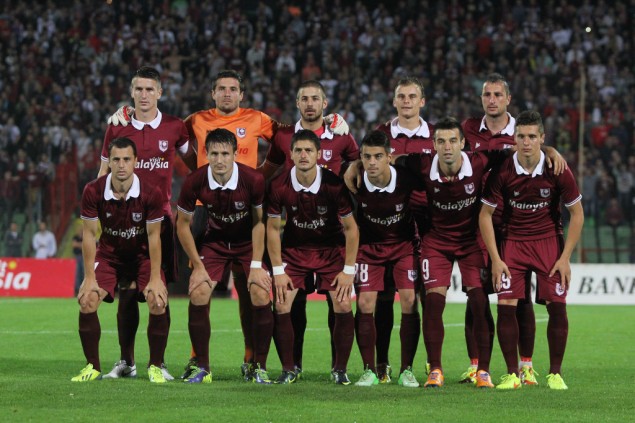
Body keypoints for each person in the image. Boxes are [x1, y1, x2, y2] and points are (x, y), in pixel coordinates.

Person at [109, 69, 349, 379]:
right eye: (221, 88)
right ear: (213, 93)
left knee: (253, 289)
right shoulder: (195, 120)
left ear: (241, 94)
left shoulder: (257, 119)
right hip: (205, 210)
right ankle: (197, 359)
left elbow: (292, 133)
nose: (226, 93)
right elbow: (164, 130)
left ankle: (252, 359)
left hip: (249, 210)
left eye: (232, 89)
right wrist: (127, 114)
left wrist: (329, 121)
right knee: (199, 285)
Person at [99, 66, 194, 381]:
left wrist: (194, 200)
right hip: (122, 222)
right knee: (126, 291)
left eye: (149, 89)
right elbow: (102, 175)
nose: (144, 95)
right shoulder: (117, 127)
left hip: (160, 222)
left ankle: (158, 363)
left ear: (160, 93)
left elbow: (195, 164)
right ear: (131, 92)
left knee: (158, 291)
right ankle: (127, 362)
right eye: (138, 89)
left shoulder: (175, 127)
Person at [479, 110, 584, 390]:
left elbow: (577, 214)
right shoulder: (503, 170)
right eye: (521, 136)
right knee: (506, 305)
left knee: (557, 306)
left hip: (548, 242)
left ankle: (555, 373)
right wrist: (496, 259)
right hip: (512, 242)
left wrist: (565, 258)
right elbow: (484, 215)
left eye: (532, 137)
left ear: (542, 138)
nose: (526, 142)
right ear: (514, 138)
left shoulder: (557, 169)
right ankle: (512, 374)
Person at [263, 80, 359, 377]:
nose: (309, 103)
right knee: (285, 303)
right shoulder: (282, 145)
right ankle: (290, 368)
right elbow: (270, 223)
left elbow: (362, 165)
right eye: (304, 98)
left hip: (332, 245)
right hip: (295, 246)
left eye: (315, 98)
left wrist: (349, 269)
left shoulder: (340, 141)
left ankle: (339, 369)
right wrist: (277, 270)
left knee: (340, 303)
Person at [175, 128, 273, 384]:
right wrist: (197, 266)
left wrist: (256, 265)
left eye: (225, 154)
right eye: (214, 154)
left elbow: (259, 222)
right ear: (206, 154)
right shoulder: (195, 180)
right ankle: (202, 367)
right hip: (215, 242)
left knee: (260, 292)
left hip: (247, 242)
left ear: (235, 154)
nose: (219, 160)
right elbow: (182, 225)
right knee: (198, 291)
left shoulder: (253, 179)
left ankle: (258, 366)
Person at [460, 73, 537, 385]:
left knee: (520, 298)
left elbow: (539, 155)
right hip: (475, 222)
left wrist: (553, 152)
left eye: (497, 94)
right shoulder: (467, 129)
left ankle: (526, 365)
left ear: (508, 99)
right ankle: (476, 365)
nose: (491, 100)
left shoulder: (521, 132)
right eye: (487, 94)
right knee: (475, 296)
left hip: (513, 226)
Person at [73, 137, 169, 383]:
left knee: (157, 300)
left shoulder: (151, 192)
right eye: (116, 159)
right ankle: (93, 367)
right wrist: (89, 277)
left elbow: (154, 237)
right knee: (87, 300)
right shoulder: (93, 190)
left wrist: (155, 278)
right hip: (109, 255)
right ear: (109, 162)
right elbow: (89, 235)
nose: (121, 164)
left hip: (142, 256)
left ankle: (155, 366)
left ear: (135, 161)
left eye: (127, 159)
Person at [366, 76, 433, 382]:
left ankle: (430, 363)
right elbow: (362, 163)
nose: (406, 101)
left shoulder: (436, 136)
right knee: (383, 298)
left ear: (422, 101)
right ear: (394, 101)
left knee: (423, 297)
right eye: (401, 96)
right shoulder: (381, 134)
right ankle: (382, 364)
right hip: (389, 226)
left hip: (428, 226)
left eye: (412, 96)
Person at [350, 130, 421, 387]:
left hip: (403, 246)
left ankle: (407, 370)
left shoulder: (406, 178)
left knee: (409, 300)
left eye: (378, 156)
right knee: (365, 302)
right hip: (369, 248)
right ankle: (369, 370)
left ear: (389, 157)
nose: (372, 162)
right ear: (360, 158)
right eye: (366, 156)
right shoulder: (354, 183)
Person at [72, 226, 84, 296]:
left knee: (83, 272)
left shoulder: (85, 237)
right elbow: (74, 245)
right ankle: (77, 289)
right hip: (77, 256)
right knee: (77, 273)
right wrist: (81, 245)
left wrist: (78, 244)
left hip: (84, 257)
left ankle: (83, 288)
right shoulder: (75, 237)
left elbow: (84, 245)